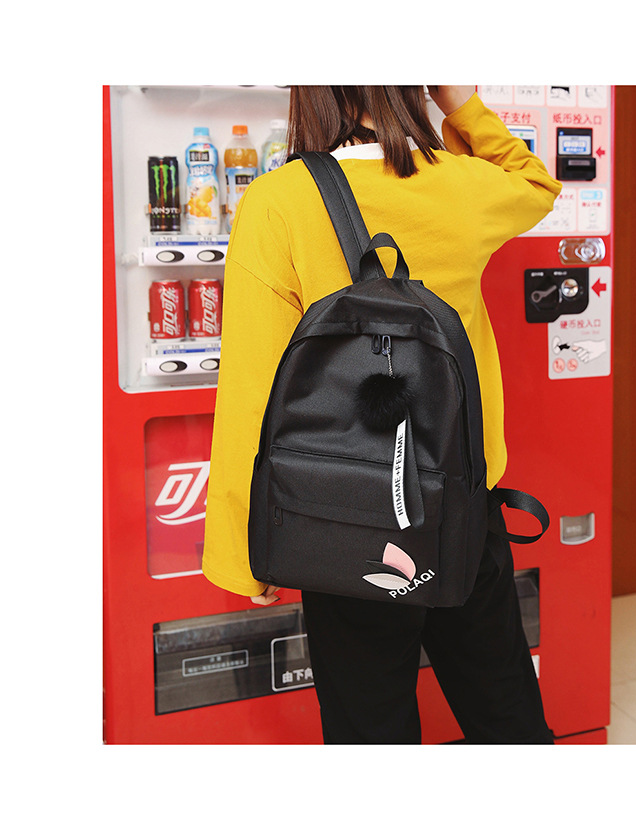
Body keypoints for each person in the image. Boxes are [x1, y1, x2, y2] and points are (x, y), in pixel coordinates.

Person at [203, 85, 562, 744]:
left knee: (369, 729)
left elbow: (254, 390)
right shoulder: (461, 183)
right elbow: (535, 182)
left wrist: (242, 552)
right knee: (505, 709)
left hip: (342, 516)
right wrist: (459, 102)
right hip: (462, 505)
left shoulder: (279, 200)